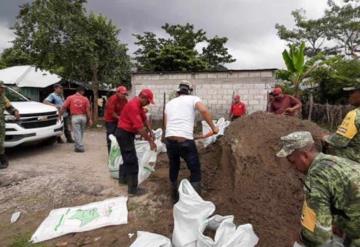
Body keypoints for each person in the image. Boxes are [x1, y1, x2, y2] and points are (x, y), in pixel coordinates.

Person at [277, 131, 360, 246]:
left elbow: (318, 235)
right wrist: (339, 222)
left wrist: (302, 238)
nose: (293, 167)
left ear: (304, 156)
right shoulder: (336, 162)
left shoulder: (317, 176)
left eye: (292, 161)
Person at [164, 81, 219, 201]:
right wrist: (214, 128)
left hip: (169, 139)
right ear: (189, 91)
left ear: (178, 92)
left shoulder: (169, 103)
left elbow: (167, 124)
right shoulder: (193, 99)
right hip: (185, 141)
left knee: (174, 166)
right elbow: (203, 110)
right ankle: (196, 201)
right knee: (195, 169)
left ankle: (174, 198)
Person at [115, 88, 157, 196]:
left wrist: (151, 131)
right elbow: (140, 128)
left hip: (126, 133)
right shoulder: (133, 106)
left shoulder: (138, 105)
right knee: (132, 161)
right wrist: (150, 141)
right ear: (143, 98)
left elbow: (144, 119)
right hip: (124, 134)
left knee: (127, 157)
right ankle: (133, 190)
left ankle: (123, 180)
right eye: (148, 101)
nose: (148, 104)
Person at [323, 84, 360, 163]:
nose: (348, 96)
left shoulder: (354, 114)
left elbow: (339, 141)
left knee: (331, 149)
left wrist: (325, 137)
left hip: (356, 163)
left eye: (352, 92)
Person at [60, 87, 92, 152]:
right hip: (83, 117)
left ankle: (80, 147)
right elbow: (88, 110)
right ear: (82, 91)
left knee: (77, 132)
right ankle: (78, 146)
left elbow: (64, 107)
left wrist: (60, 115)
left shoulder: (70, 97)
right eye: (83, 92)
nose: (83, 93)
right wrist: (90, 119)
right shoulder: (85, 99)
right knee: (81, 132)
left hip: (75, 117)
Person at [0, 81, 20, 169]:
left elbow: (9, 107)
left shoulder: (3, 97)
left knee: (0, 142)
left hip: (1, 124)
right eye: (1, 88)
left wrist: (15, 112)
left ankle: (3, 159)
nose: (3, 89)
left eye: (3, 88)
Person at [104, 86, 128, 153]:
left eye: (125, 94)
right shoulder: (113, 99)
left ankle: (118, 151)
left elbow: (126, 109)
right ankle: (110, 153)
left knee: (119, 136)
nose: (124, 95)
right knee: (111, 136)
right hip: (110, 121)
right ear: (117, 93)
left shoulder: (125, 100)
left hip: (119, 120)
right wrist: (120, 118)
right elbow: (111, 112)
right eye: (123, 94)